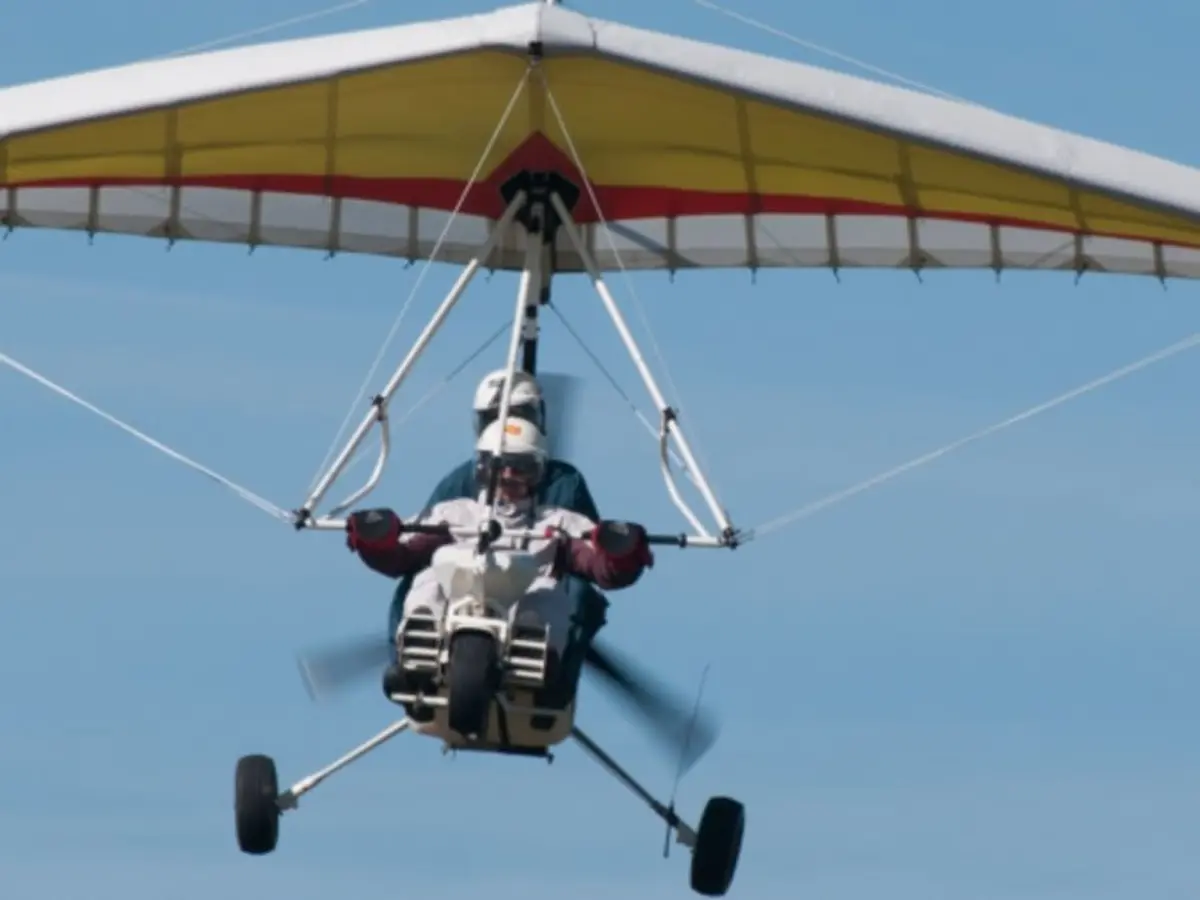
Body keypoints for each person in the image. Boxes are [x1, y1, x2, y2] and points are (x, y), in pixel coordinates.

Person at [346, 417, 653, 704]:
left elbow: (597, 564)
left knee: (549, 597)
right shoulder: (455, 513)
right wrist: (375, 540)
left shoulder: (557, 521)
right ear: (481, 468)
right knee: (428, 581)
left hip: (523, 603)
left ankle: (536, 664)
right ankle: (418, 656)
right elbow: (403, 553)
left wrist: (621, 554)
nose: (508, 475)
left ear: (538, 473)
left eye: (521, 468)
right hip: (459, 601)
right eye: (500, 466)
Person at [388, 367, 605, 645]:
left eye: (521, 416)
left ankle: (547, 655)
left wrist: (613, 553)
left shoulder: (564, 483)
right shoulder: (459, 484)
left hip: (536, 580)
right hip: (467, 581)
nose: (508, 427)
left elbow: (585, 549)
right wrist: (384, 541)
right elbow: (420, 543)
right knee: (418, 584)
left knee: (574, 593)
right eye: (494, 418)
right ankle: (413, 645)